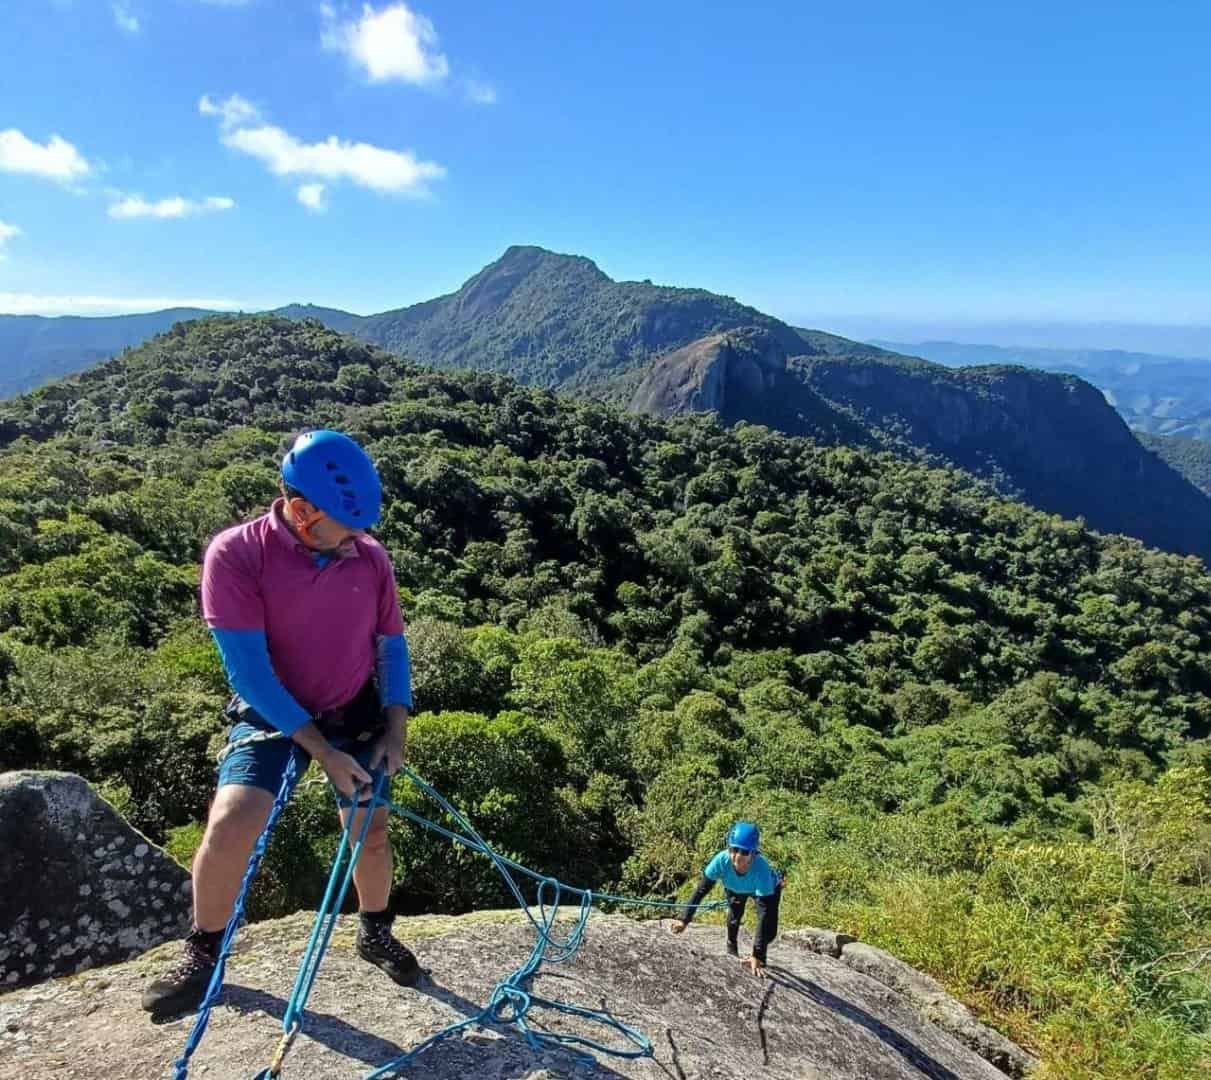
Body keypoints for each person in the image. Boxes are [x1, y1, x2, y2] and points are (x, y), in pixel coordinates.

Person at [142, 429, 417, 1018]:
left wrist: (395, 729)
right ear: (302, 511)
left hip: (352, 706)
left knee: (370, 829)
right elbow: (249, 675)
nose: (359, 540)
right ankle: (203, 950)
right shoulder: (237, 555)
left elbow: (391, 646)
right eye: (348, 528)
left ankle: (374, 931)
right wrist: (321, 751)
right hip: (271, 709)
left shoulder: (369, 557)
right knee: (232, 820)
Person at [668, 822, 784, 978]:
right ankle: (731, 948)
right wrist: (684, 920)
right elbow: (701, 890)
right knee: (734, 917)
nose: (737, 856)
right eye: (734, 849)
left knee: (769, 932)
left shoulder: (761, 869)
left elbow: (764, 913)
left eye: (744, 852)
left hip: (767, 890)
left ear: (753, 853)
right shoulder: (721, 861)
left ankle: (758, 957)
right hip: (735, 887)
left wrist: (757, 954)